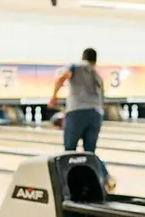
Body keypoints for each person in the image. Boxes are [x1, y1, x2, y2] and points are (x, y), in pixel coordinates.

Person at [49, 47, 116, 191]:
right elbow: (102, 99)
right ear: (95, 60)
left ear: (83, 57)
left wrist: (54, 96)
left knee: (69, 151)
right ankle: (106, 178)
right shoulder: (98, 75)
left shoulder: (75, 66)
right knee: (90, 152)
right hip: (96, 114)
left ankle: (66, 185)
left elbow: (62, 77)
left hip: (77, 112)